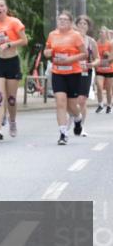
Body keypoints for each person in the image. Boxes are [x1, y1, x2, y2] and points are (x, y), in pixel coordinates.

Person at [43, 11, 87, 145]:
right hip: (57, 72)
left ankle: (78, 119)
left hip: (73, 73)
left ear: (70, 22)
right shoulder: (52, 34)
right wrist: (48, 52)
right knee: (60, 101)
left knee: (72, 105)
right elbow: (46, 52)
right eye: (60, 19)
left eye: (65, 20)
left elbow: (84, 54)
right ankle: (63, 133)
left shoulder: (76, 36)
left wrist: (70, 59)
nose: (61, 22)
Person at [0, 0, 28, 140]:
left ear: (6, 7)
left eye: (2, 6)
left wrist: (9, 44)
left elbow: (24, 41)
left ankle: (12, 121)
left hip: (12, 62)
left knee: (11, 99)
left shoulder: (14, 22)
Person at [74, 14, 99, 136]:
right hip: (72, 71)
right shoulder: (71, 39)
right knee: (72, 100)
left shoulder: (91, 41)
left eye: (85, 24)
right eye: (80, 23)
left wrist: (92, 64)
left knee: (82, 100)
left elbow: (97, 59)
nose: (82, 26)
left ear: (88, 27)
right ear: (76, 25)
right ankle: (74, 120)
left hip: (85, 71)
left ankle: (82, 126)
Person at [95, 26, 113, 113]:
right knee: (99, 86)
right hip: (99, 69)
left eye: (103, 32)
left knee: (109, 90)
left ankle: (109, 105)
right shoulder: (96, 44)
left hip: (109, 69)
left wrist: (108, 54)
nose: (101, 34)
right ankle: (100, 104)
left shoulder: (110, 44)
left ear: (106, 34)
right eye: (100, 32)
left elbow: (111, 57)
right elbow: (94, 56)